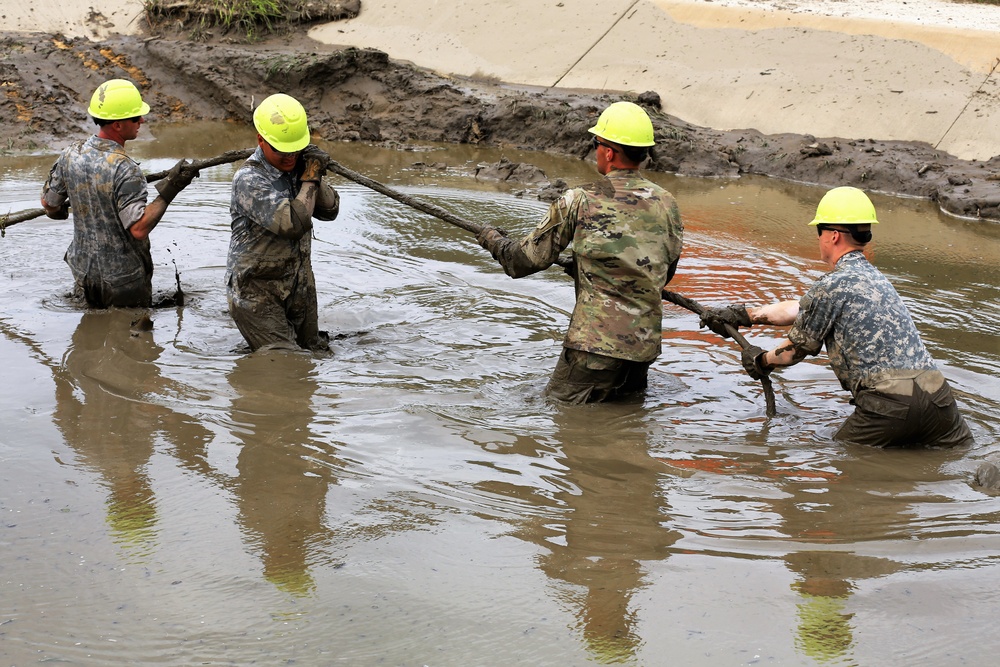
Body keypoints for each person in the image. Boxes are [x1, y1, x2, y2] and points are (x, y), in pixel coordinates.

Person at [700, 186, 974, 448]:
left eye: (818, 232)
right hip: (941, 403)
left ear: (832, 235)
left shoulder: (831, 286)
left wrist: (760, 360)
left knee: (844, 462)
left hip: (890, 408)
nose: (817, 239)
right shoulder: (875, 279)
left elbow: (792, 353)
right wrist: (746, 315)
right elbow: (800, 309)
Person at [477, 101, 684, 403]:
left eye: (596, 143)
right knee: (624, 423)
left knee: (557, 414)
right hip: (643, 348)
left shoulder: (580, 200)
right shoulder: (668, 204)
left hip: (594, 349)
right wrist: (586, 264)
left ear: (609, 152)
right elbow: (663, 273)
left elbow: (522, 261)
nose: (595, 149)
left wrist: (494, 241)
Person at [40, 78, 199, 308]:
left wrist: (60, 211)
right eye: (136, 118)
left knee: (88, 337)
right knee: (133, 339)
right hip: (123, 281)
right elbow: (138, 228)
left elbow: (49, 204)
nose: (142, 121)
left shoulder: (70, 155)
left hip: (84, 275)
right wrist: (170, 189)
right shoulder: (125, 168)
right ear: (117, 125)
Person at [226, 93, 340, 352]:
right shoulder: (249, 179)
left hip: (299, 285)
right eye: (281, 150)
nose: (289, 156)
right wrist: (310, 178)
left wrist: (314, 172)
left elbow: (330, 209)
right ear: (261, 140)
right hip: (257, 291)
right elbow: (293, 224)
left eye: (295, 149)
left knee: (313, 353)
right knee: (285, 364)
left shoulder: (299, 166)